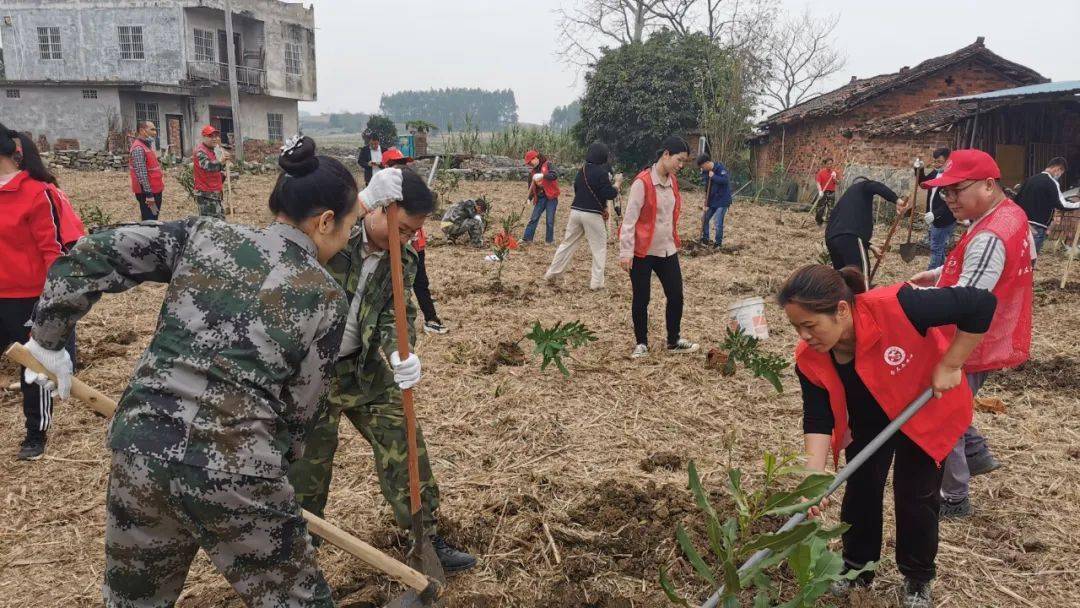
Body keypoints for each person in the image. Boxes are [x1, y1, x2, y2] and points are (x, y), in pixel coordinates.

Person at [24, 136, 417, 607]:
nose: (345, 240)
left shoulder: (204, 236)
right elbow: (300, 414)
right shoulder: (324, 296)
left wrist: (47, 343)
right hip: (240, 466)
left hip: (141, 448)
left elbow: (90, 254)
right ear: (326, 221)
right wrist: (267, 485)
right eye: (349, 226)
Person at [288, 167, 477, 573]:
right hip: (311, 377)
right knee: (307, 471)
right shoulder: (332, 235)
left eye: (413, 232)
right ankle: (298, 559)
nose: (408, 238)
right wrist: (359, 201)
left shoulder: (402, 257)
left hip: (366, 372)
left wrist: (400, 354)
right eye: (404, 228)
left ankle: (425, 538)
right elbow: (287, 240)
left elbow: (396, 312)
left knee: (407, 448)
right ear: (381, 209)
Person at [781, 264, 995, 608]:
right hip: (869, 419)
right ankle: (856, 569)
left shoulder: (899, 306)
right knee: (861, 487)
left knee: (917, 494)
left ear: (840, 310)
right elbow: (818, 418)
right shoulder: (810, 359)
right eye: (796, 327)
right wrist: (813, 476)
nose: (804, 336)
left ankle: (917, 577)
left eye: (809, 325)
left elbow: (980, 304)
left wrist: (952, 363)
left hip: (922, 408)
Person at [909, 149, 1034, 518]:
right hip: (992, 331)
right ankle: (977, 453)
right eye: (944, 192)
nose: (949, 200)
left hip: (973, 339)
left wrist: (914, 298)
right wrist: (936, 273)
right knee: (957, 401)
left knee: (942, 411)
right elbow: (974, 266)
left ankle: (954, 495)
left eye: (955, 191)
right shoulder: (1007, 214)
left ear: (988, 185)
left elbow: (968, 299)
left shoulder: (991, 234)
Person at [0, 123, 83, 460]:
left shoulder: (37, 193)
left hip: (27, 296)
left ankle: (35, 434)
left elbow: (54, 251)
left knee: (34, 368)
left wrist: (54, 304)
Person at [619, 136, 699, 358]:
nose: (680, 165)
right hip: (643, 251)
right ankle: (641, 343)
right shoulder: (642, 183)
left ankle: (673, 339)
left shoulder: (672, 181)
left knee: (676, 294)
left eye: (683, 162)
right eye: (678, 160)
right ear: (666, 154)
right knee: (641, 298)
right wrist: (626, 253)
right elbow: (629, 221)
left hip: (667, 249)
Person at [379, 147, 448, 334]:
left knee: (419, 280)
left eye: (402, 163)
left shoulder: (414, 184)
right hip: (391, 243)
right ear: (385, 167)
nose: (400, 167)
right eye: (394, 164)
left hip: (415, 242)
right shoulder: (382, 192)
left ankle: (431, 318)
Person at [543, 142, 622, 290]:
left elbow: (577, 188)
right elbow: (609, 193)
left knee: (567, 244)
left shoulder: (582, 170)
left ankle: (552, 273)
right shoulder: (602, 173)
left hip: (576, 211)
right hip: (592, 215)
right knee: (598, 248)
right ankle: (597, 283)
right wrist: (617, 184)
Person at [824, 177, 911, 274]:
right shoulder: (863, 186)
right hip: (850, 239)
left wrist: (870, 246)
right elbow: (849, 234)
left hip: (831, 240)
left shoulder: (845, 201)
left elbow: (845, 230)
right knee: (860, 277)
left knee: (842, 279)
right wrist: (897, 201)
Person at [1016, 156, 1080, 257]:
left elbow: (1016, 200)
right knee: (1029, 262)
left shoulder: (1030, 180)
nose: (1060, 175)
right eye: (1061, 173)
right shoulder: (1051, 182)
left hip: (1021, 225)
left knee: (1018, 259)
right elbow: (1062, 204)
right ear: (1058, 169)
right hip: (1037, 228)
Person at [921, 148, 956, 270]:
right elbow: (923, 183)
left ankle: (930, 275)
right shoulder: (936, 173)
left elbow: (949, 202)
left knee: (936, 248)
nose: (936, 164)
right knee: (939, 248)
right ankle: (941, 271)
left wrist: (935, 214)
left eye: (939, 162)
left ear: (948, 161)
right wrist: (918, 169)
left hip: (944, 220)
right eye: (935, 161)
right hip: (935, 218)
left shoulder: (951, 179)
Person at [522, 149, 560, 244]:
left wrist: (543, 175)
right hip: (540, 198)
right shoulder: (532, 173)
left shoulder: (548, 165)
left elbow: (554, 175)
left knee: (549, 220)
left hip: (551, 197)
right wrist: (529, 199)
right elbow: (530, 188)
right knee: (534, 218)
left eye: (530, 162)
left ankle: (549, 241)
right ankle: (527, 239)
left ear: (535, 158)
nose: (530, 164)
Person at [192, 125, 231, 219]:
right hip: (206, 195)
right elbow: (208, 166)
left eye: (216, 136)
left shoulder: (214, 150)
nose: (214, 139)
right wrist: (221, 162)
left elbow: (217, 167)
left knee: (220, 222)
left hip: (215, 192)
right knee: (209, 225)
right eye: (210, 136)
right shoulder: (200, 151)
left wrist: (222, 173)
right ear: (203, 137)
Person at [129, 121, 164, 221]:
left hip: (154, 191)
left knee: (154, 217)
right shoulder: (139, 148)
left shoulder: (146, 146)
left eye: (155, 129)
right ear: (142, 131)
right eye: (152, 129)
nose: (155, 132)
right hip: (148, 195)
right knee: (149, 221)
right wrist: (149, 195)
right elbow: (141, 174)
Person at [696, 153, 732, 247]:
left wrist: (714, 176)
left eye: (703, 166)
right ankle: (705, 239)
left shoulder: (720, 168)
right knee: (704, 218)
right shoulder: (706, 172)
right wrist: (706, 204)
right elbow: (707, 188)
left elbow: (725, 181)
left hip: (723, 200)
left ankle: (718, 244)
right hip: (713, 201)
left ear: (707, 163)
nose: (702, 169)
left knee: (718, 221)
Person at [815, 158, 841, 226]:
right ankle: (819, 221)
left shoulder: (834, 172)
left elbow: (838, 183)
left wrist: (834, 178)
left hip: (831, 192)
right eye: (828, 164)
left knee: (831, 208)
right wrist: (820, 191)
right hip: (823, 192)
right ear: (825, 164)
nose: (830, 165)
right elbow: (818, 182)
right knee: (820, 207)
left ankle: (828, 223)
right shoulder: (821, 172)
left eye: (831, 163)